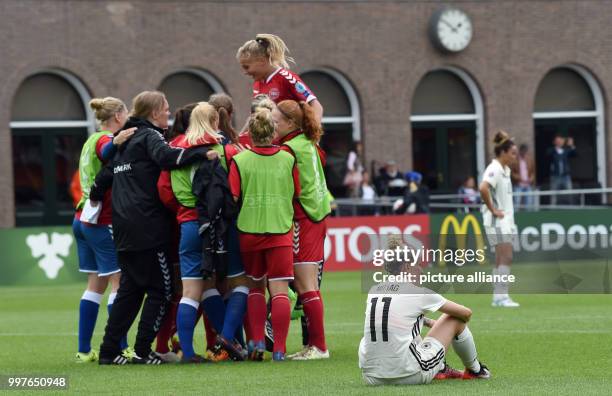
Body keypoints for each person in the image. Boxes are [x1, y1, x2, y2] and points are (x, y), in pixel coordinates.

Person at [94, 91, 211, 365]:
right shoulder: (149, 136)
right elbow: (167, 157)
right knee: (162, 290)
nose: (168, 114)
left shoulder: (123, 140)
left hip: (123, 227)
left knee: (131, 291)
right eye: (166, 109)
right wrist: (201, 153)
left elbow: (101, 182)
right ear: (155, 111)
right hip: (147, 226)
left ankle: (108, 352)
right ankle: (143, 351)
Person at [359, 237, 490, 385]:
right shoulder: (418, 292)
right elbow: (466, 313)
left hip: (371, 377)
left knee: (403, 331)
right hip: (409, 374)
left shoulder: (374, 291)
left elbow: (389, 320)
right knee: (455, 318)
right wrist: (442, 323)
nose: (422, 270)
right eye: (419, 265)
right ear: (407, 267)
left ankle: (441, 368)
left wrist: (429, 322)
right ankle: (475, 370)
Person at [227, 108, 301, 361]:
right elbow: (296, 192)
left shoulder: (240, 160)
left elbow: (233, 197)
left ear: (251, 132)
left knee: (256, 288)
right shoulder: (288, 158)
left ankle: (257, 343)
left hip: (249, 230)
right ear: (273, 131)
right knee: (279, 290)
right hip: (280, 229)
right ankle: (279, 349)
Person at [73, 97, 135, 363]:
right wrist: (120, 140)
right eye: (127, 113)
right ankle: (121, 348)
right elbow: (107, 150)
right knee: (118, 284)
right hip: (100, 220)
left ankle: (84, 351)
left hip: (82, 217)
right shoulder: (102, 140)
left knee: (94, 286)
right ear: (119, 116)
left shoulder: (89, 139)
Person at [274, 100, 330, 360]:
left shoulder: (289, 149)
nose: (273, 126)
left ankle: (319, 347)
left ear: (290, 123)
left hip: (303, 219)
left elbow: (290, 189)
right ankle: (315, 345)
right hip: (317, 217)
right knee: (307, 284)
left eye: (276, 122)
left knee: (305, 285)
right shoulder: (309, 144)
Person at [236, 33, 323, 123]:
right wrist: (240, 136)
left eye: (246, 67)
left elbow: (316, 106)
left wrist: (312, 135)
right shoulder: (258, 83)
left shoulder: (287, 78)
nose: (245, 72)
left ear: (261, 61)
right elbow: (254, 117)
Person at [479, 130, 519, 308]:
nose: (514, 156)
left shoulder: (505, 169)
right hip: (497, 220)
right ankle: (501, 296)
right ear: (502, 152)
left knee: (500, 258)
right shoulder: (494, 168)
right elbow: (483, 188)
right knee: (507, 256)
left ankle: (498, 296)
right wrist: (493, 209)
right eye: (512, 153)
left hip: (505, 220)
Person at [546, 134, 576, 205]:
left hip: (566, 176)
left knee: (570, 192)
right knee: (553, 194)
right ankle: (552, 208)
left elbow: (575, 154)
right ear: (554, 142)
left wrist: (571, 145)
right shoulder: (552, 150)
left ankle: (572, 207)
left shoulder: (566, 150)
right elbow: (547, 154)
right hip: (555, 176)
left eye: (560, 141)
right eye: (557, 141)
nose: (559, 142)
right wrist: (556, 148)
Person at [510, 144, 536, 210]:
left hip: (528, 184)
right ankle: (514, 217)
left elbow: (533, 172)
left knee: (529, 202)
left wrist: (531, 178)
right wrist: (519, 178)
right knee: (517, 202)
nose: (525, 154)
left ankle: (528, 217)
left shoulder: (530, 160)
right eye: (523, 152)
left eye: (526, 152)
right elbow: (512, 173)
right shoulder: (514, 160)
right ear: (520, 151)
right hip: (518, 185)